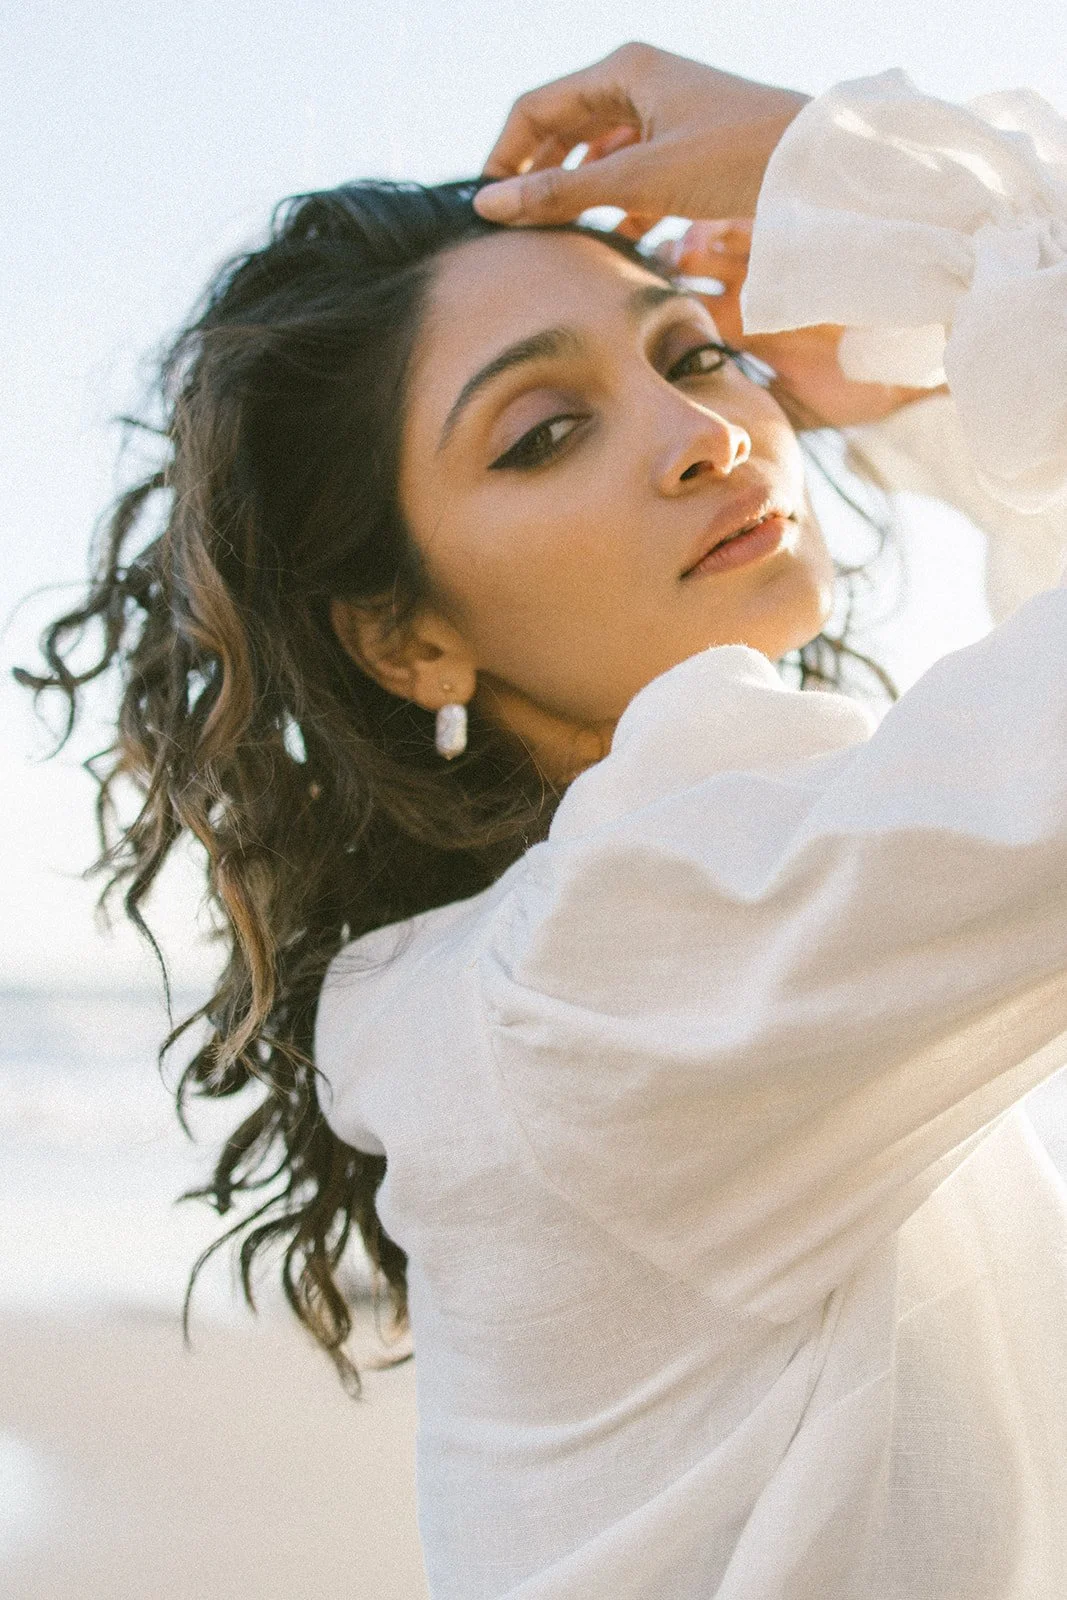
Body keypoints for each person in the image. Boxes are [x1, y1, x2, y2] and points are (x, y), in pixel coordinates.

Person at [19, 39, 1067, 1600]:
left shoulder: (572, 966)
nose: (707, 431)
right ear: (405, 639)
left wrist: (915, 362)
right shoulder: (611, 975)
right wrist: (876, 198)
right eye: (541, 433)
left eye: (692, 353)